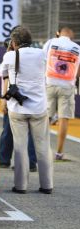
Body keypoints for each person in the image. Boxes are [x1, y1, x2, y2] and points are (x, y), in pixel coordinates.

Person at [0, 26, 53, 194]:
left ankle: (21, 186)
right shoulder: (41, 53)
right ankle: (47, 185)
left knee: (20, 147)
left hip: (18, 108)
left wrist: (9, 51)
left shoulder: (10, 55)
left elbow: (2, 73)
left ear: (14, 42)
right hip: (38, 107)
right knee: (43, 146)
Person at [43, 27, 80, 160]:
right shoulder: (76, 47)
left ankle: (42, 149)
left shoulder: (51, 42)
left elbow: (42, 60)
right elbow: (78, 71)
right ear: (71, 36)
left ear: (59, 33)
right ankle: (59, 153)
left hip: (50, 83)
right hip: (67, 86)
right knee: (63, 119)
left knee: (45, 118)